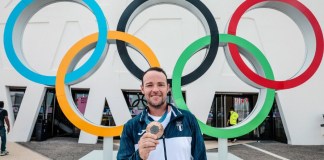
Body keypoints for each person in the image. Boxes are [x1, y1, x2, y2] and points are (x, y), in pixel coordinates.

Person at [117, 67, 207, 160]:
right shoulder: (131, 127)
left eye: (160, 84)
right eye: (149, 85)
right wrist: (139, 155)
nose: (155, 89)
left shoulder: (188, 119)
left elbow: (200, 157)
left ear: (167, 88)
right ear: (142, 89)